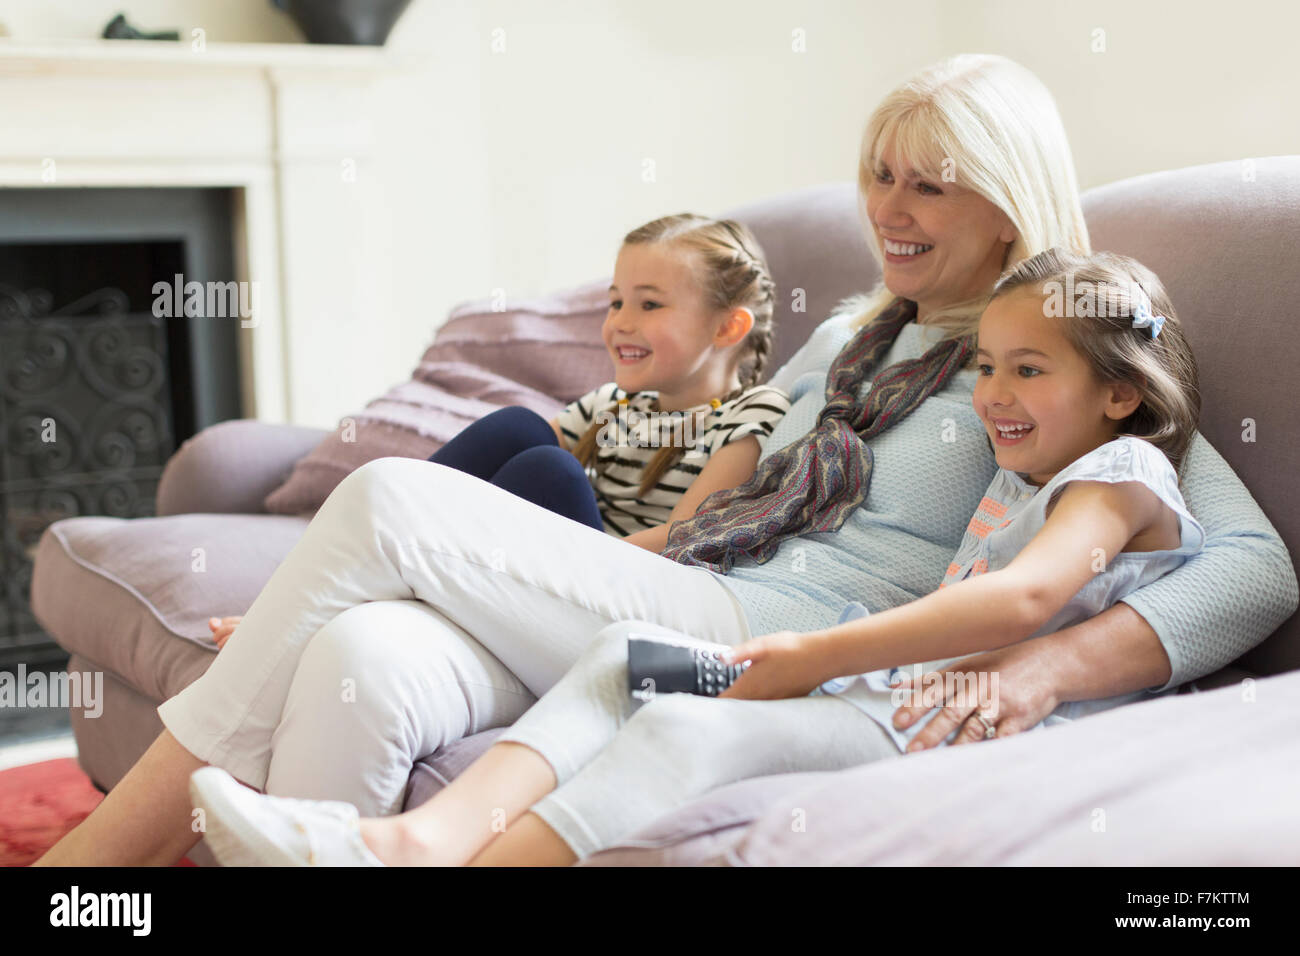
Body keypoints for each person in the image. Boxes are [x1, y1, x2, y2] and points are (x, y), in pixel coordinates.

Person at [35, 54, 1296, 868]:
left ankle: (101, 859)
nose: (890, 210)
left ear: (1011, 198)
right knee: (363, 654)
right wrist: (346, 586)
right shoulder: (858, 331)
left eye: (934, 186)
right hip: (697, 588)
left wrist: (1052, 660)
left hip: (801, 628)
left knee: (388, 496)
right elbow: (721, 499)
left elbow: (1252, 572)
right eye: (880, 175)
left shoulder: (1060, 350)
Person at [185, 247, 1210, 866]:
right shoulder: (1021, 468)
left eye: (1027, 370)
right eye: (985, 366)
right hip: (873, 685)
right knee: (631, 649)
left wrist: (814, 652)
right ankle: (420, 839)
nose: (990, 394)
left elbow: (1030, 595)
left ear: (1120, 391)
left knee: (683, 730)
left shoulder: (1119, 472)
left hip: (930, 726)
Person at [205, 214, 790, 650]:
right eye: (615, 302)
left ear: (728, 326)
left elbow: (683, 543)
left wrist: (541, 558)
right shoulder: (613, 405)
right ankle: (333, 580)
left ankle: (351, 590)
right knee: (520, 428)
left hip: (622, 597)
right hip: (558, 573)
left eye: (649, 304)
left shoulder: (751, 414)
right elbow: (496, 464)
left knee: (547, 469)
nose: (619, 323)